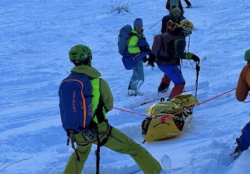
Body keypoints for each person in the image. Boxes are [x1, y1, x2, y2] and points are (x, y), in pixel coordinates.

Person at [63, 44, 162, 174]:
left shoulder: (67, 82)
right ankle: (157, 172)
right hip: (98, 130)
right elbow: (109, 105)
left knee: (79, 155)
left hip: (76, 132)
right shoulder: (98, 82)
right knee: (134, 149)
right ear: (90, 59)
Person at [149, 19, 200, 101]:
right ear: (186, 30)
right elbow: (179, 54)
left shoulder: (171, 34)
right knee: (180, 83)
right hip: (168, 63)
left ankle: (162, 91)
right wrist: (192, 56)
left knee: (168, 75)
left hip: (161, 62)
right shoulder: (180, 39)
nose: (189, 34)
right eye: (189, 32)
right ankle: (171, 104)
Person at [126, 18, 151, 96]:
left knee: (135, 75)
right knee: (140, 77)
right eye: (137, 25)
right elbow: (130, 49)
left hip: (137, 58)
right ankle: (133, 91)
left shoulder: (140, 34)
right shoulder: (135, 36)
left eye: (140, 25)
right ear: (134, 26)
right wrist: (141, 49)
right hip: (135, 59)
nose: (139, 27)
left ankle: (131, 89)